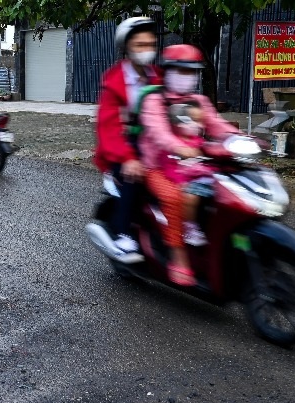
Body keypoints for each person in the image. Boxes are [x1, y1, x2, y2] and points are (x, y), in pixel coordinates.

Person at [137, 44, 238, 286]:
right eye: (181, 71)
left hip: (192, 164)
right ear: (168, 72)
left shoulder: (198, 101)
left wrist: (242, 139)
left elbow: (217, 125)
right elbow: (158, 132)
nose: (187, 77)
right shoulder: (155, 101)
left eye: (192, 72)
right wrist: (179, 146)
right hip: (158, 167)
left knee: (227, 189)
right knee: (174, 198)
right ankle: (178, 257)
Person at [90, 16, 161, 263]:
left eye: (150, 44)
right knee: (134, 178)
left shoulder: (158, 77)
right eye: (140, 45)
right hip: (122, 148)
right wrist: (127, 158)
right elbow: (108, 128)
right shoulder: (115, 82)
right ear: (128, 47)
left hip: (157, 145)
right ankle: (122, 235)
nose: (146, 50)